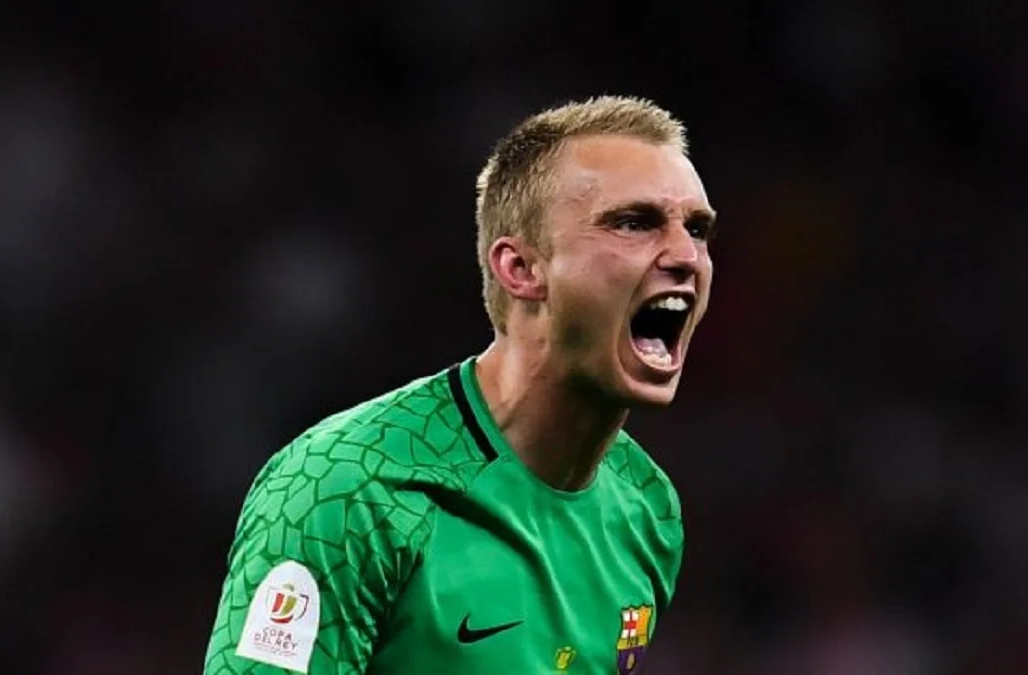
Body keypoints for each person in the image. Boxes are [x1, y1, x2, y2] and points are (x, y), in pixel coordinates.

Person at [203, 95, 717, 675]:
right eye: (634, 223)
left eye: (698, 230)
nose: (687, 256)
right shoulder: (345, 488)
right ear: (521, 269)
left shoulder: (646, 506)